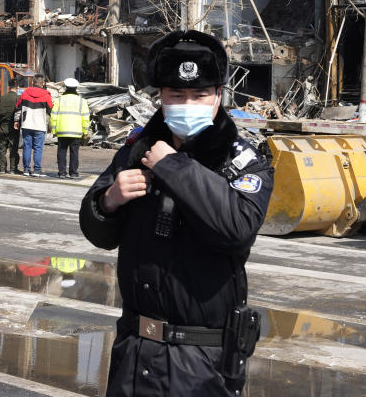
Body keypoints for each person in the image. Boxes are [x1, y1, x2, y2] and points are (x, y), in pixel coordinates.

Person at [79, 30, 274, 396]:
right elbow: (98, 233)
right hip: (134, 351)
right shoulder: (136, 149)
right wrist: (109, 200)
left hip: (201, 359)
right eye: (176, 95)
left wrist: (173, 167)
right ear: (161, 98)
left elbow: (236, 229)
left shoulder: (241, 161)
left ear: (218, 95)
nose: (188, 103)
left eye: (200, 95)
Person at [51, 77, 90, 179]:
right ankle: (73, 172)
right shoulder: (82, 101)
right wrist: (85, 132)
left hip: (62, 131)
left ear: (65, 88)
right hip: (76, 132)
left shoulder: (59, 100)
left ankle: (62, 173)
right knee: (74, 153)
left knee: (61, 152)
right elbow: (86, 118)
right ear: (76, 88)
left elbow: (53, 116)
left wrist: (54, 130)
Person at [15, 74, 52, 177]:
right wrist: (49, 125)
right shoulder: (46, 95)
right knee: (38, 148)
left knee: (27, 147)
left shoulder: (25, 93)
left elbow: (18, 107)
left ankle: (26, 169)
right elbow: (50, 110)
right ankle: (37, 170)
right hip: (40, 125)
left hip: (27, 124)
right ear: (43, 83)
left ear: (33, 82)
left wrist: (16, 121)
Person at [0, 78, 21, 174]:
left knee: (2, 148)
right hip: (14, 127)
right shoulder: (18, 98)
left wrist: (1, 123)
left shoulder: (2, 98)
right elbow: (19, 113)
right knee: (13, 148)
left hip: (3, 126)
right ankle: (13, 169)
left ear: (8, 87)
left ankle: (2, 168)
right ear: (17, 87)